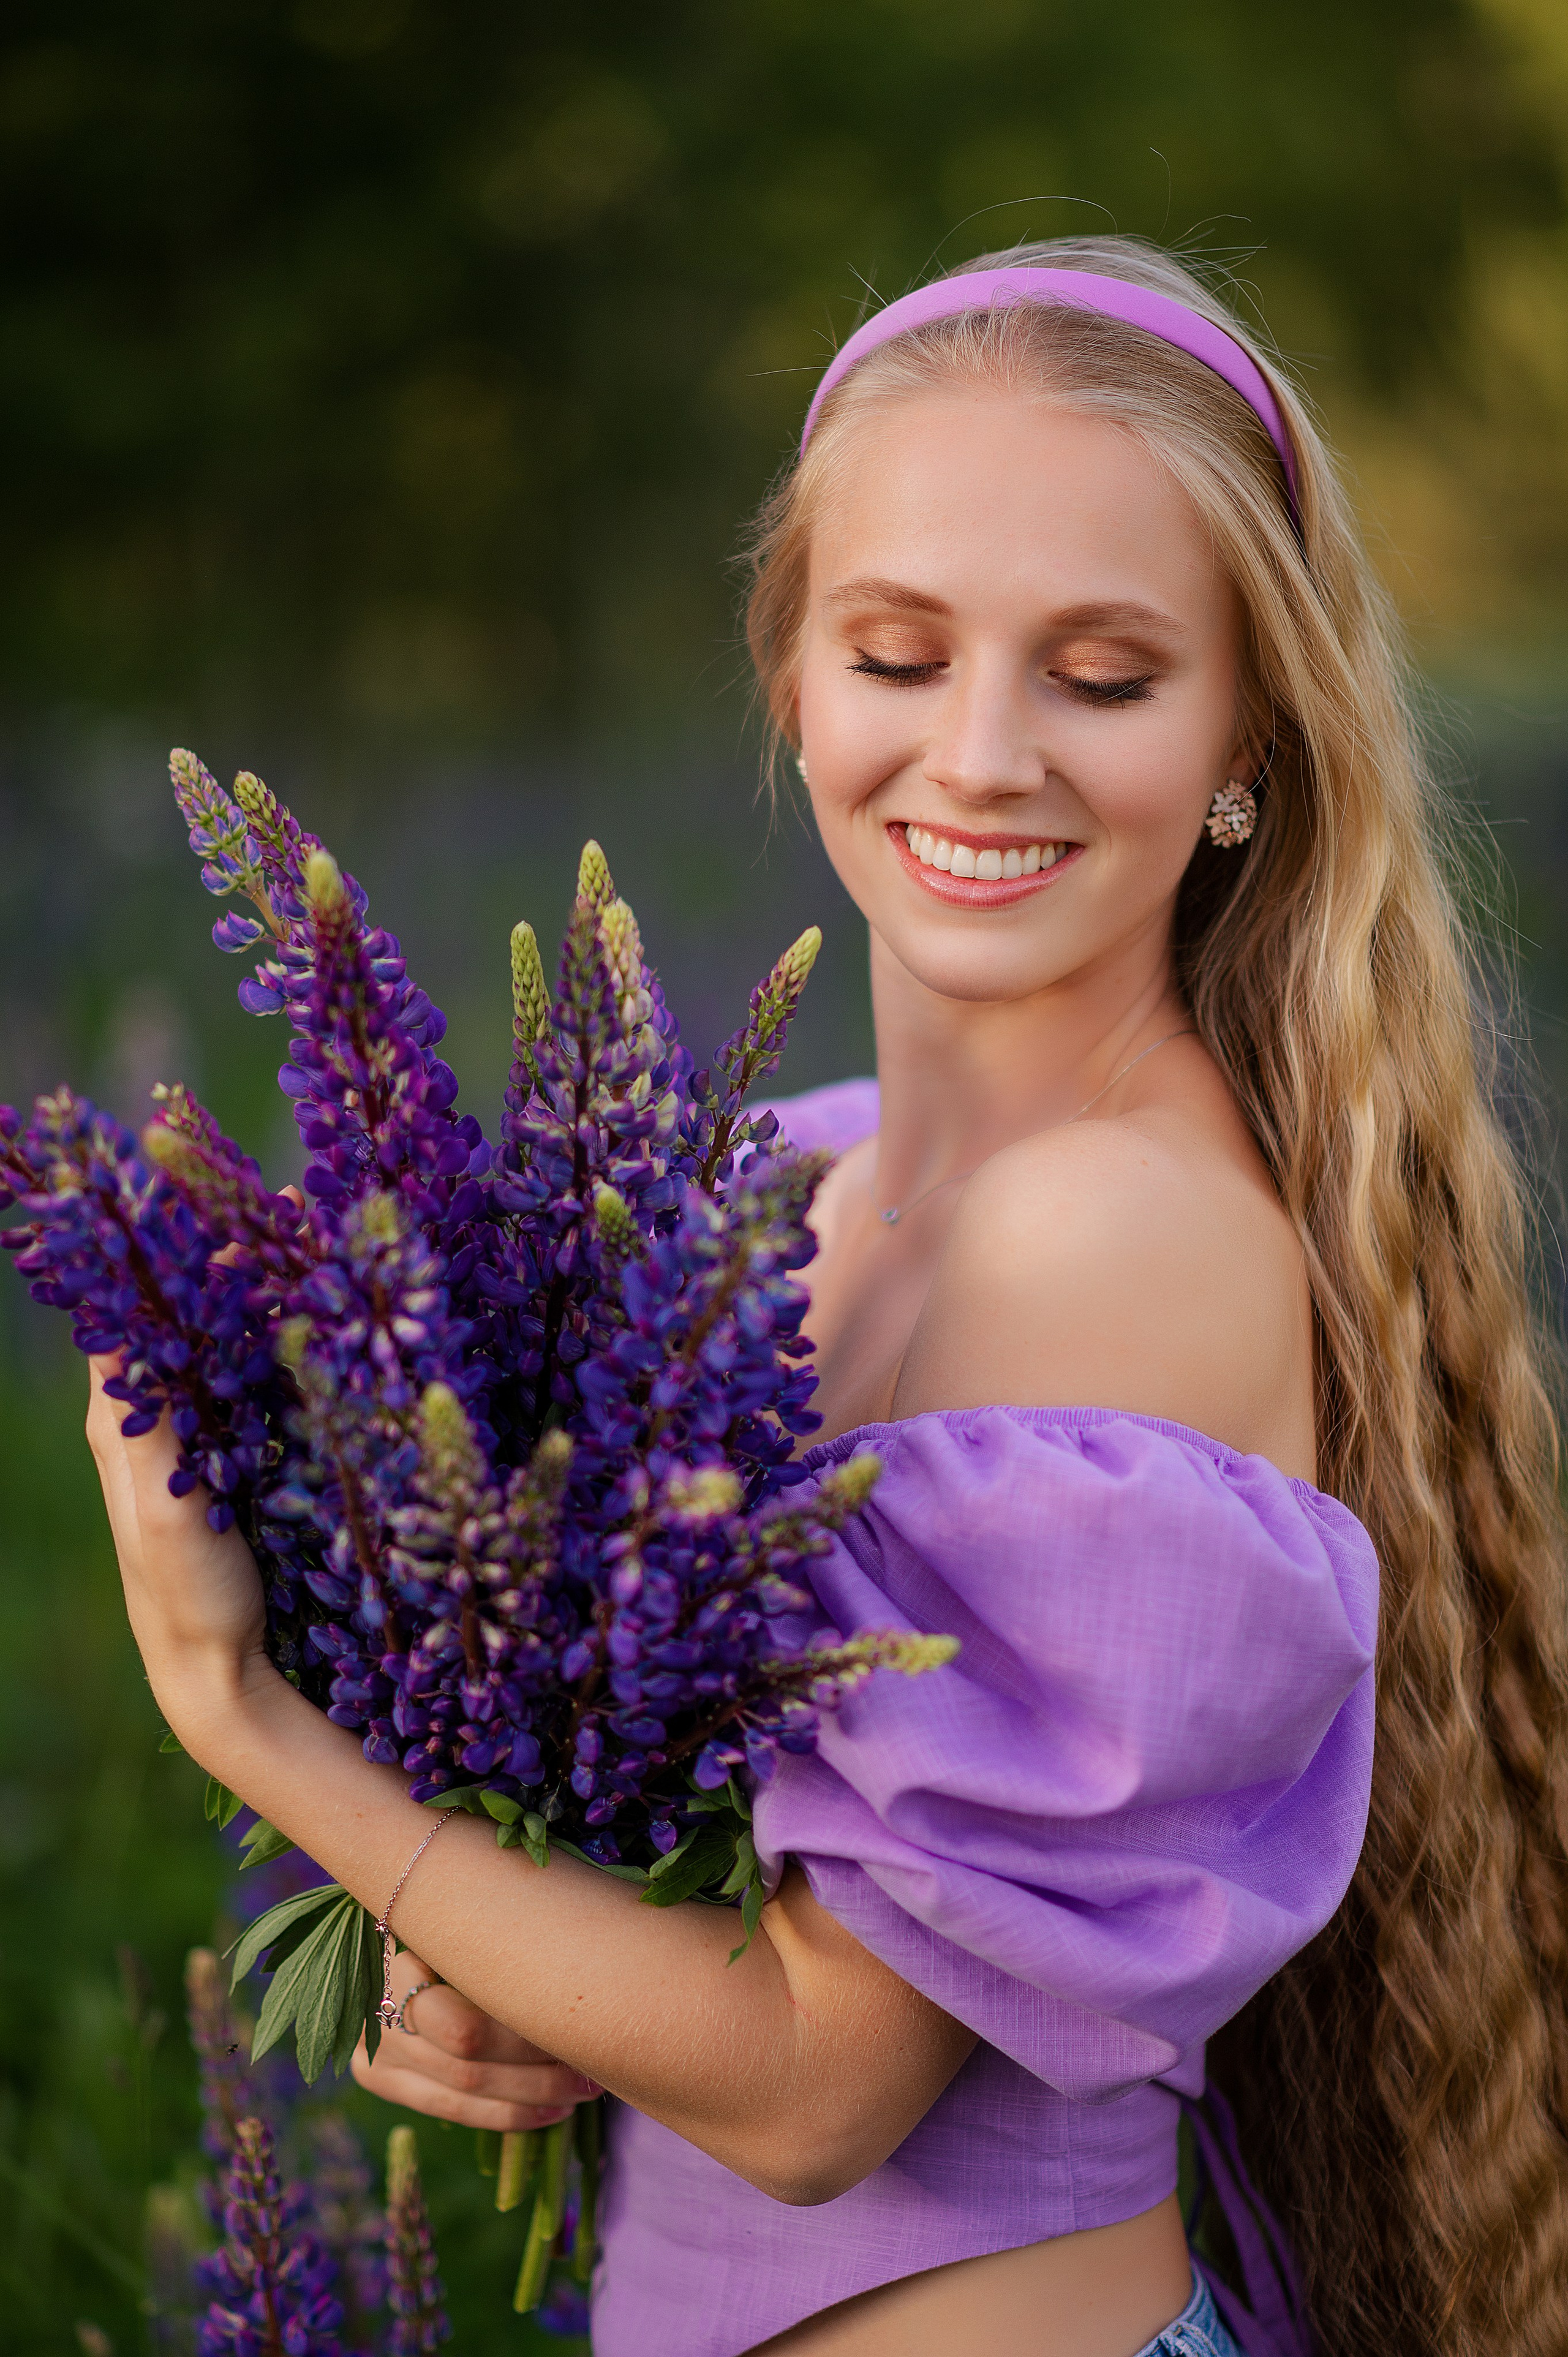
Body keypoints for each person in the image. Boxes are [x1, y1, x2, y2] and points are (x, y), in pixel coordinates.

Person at [86, 236, 1568, 2357]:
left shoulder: (1111, 1239)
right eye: (897, 651)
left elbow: (812, 2094)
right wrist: (523, 1967)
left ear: (1251, 740)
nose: (980, 754)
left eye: (1105, 674)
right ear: (790, 681)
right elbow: (736, 1930)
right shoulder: (788, 1180)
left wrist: (235, 1707)